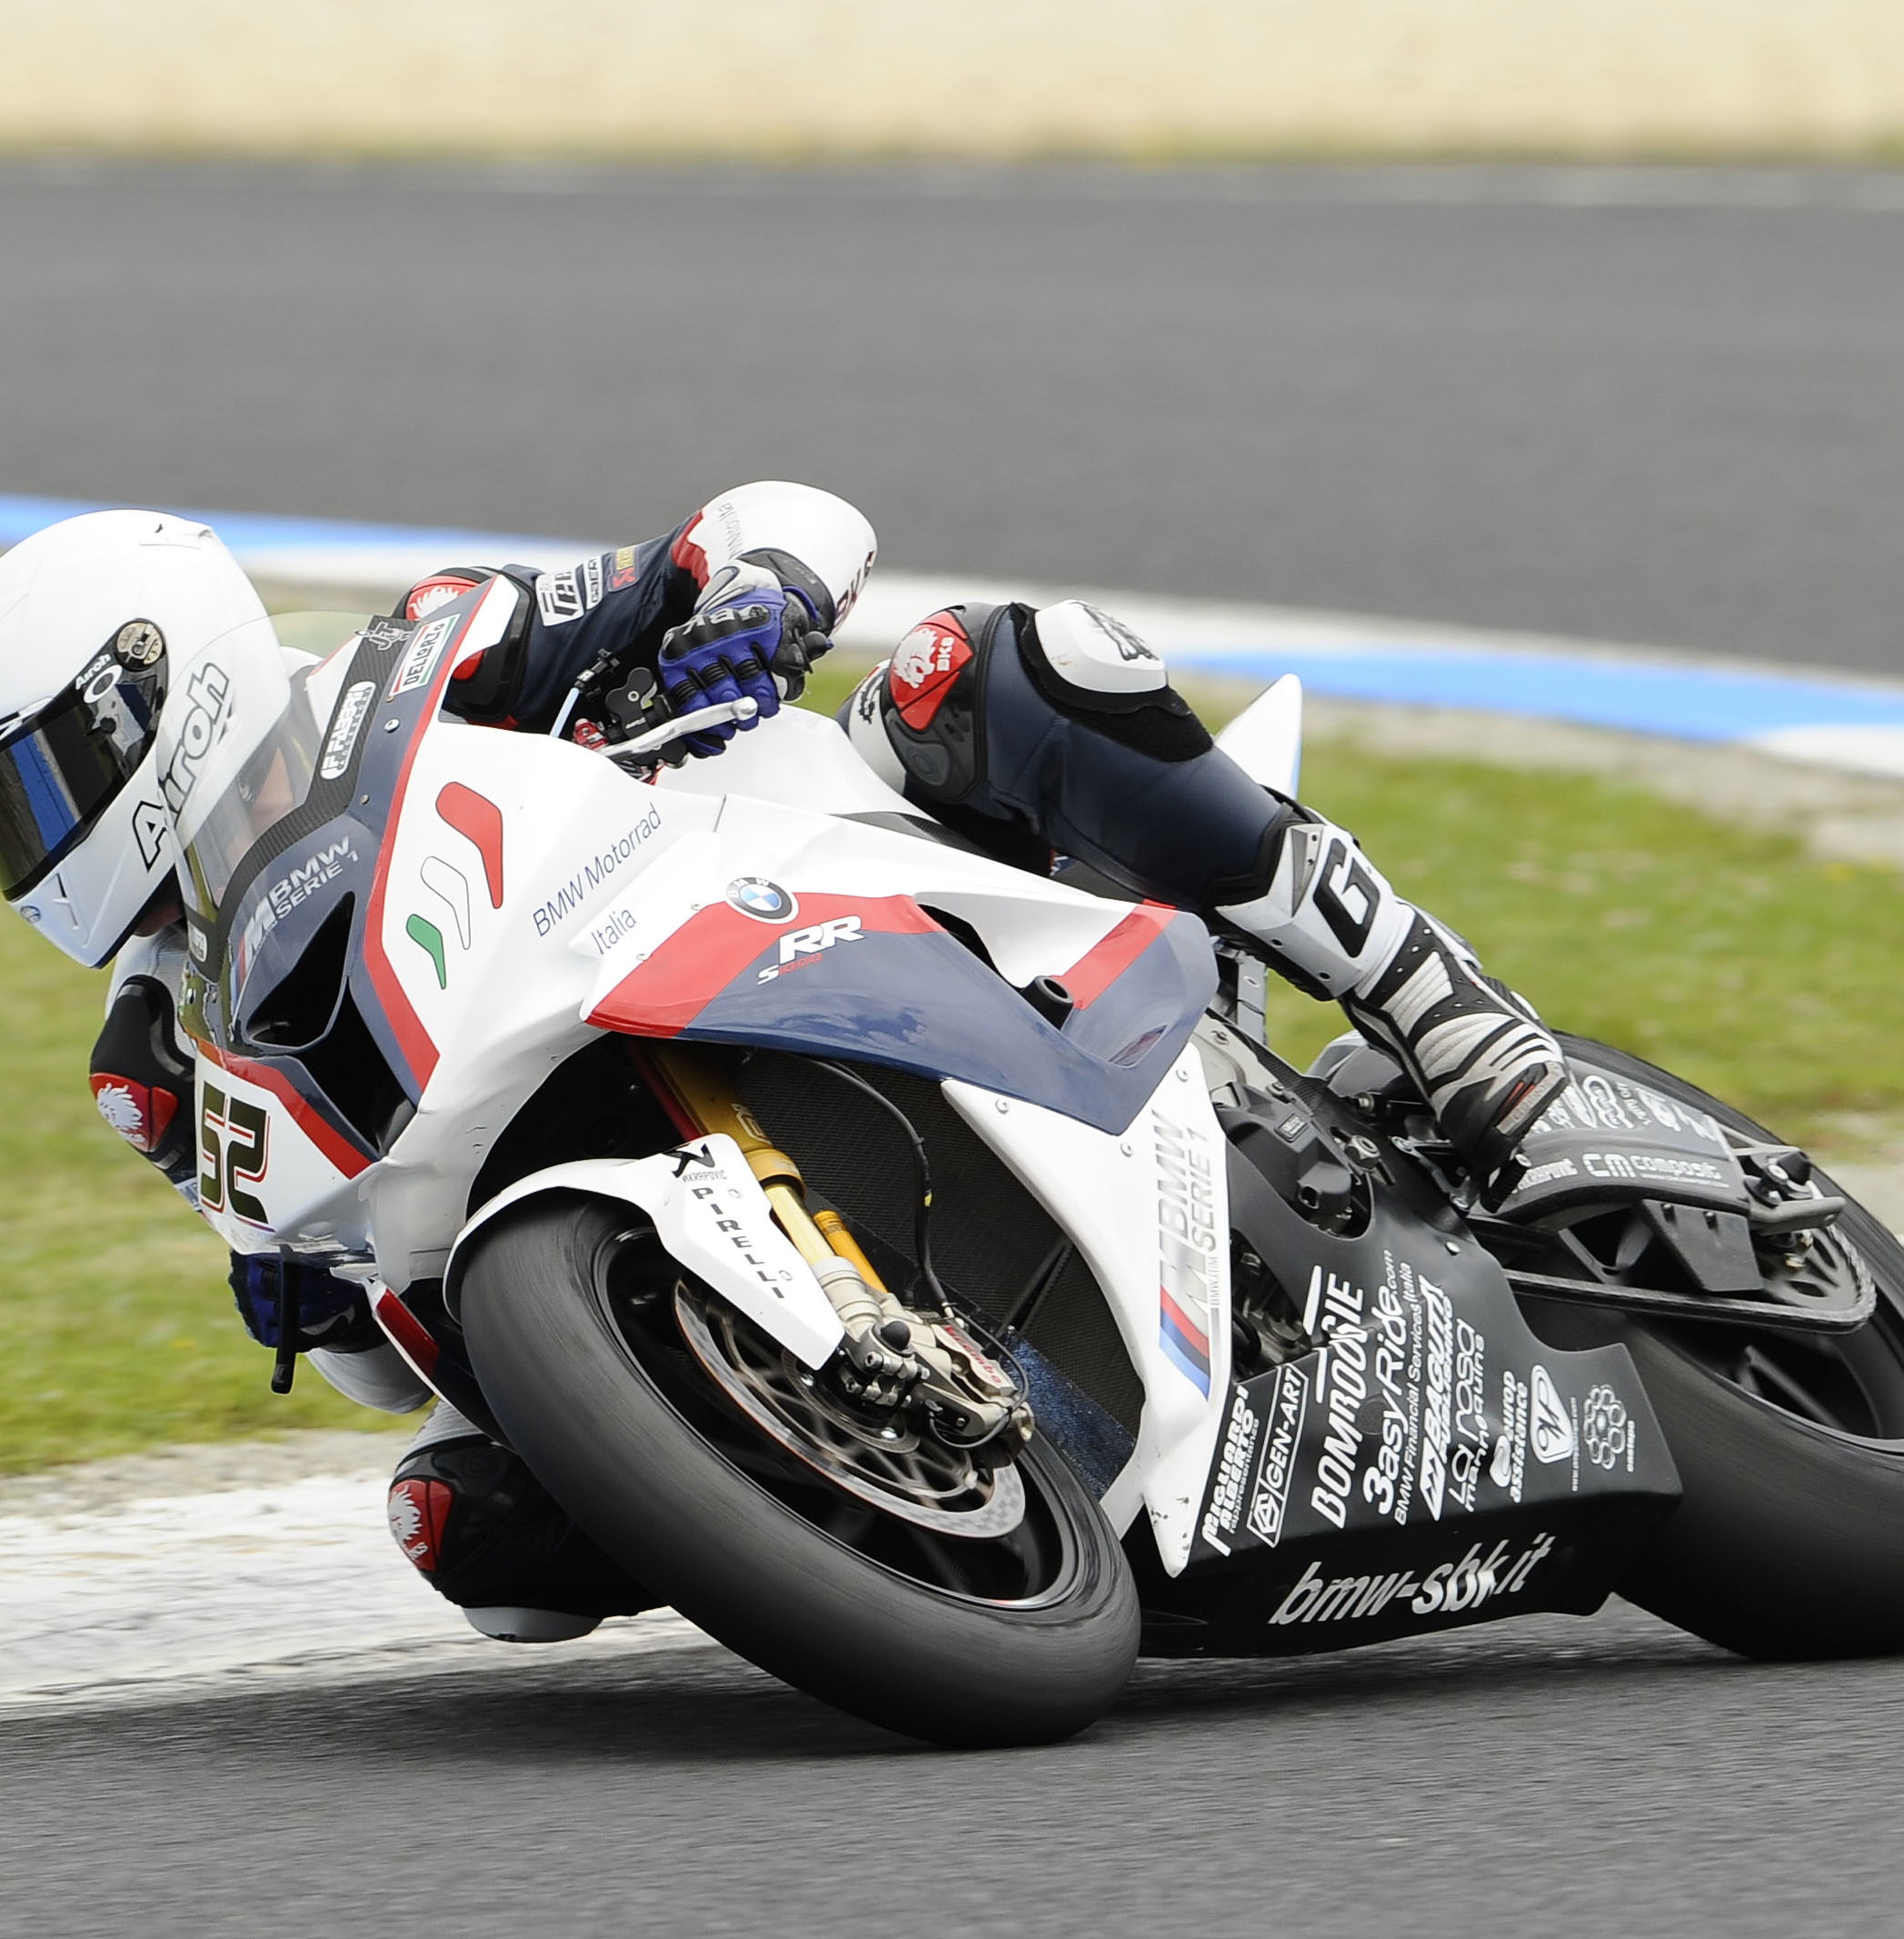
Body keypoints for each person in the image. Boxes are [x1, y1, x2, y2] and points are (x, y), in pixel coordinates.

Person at [0, 486, 1568, 1640]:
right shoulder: (161, 1052)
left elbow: (785, 516)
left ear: (154, 685)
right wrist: (308, 1293)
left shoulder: (423, 653)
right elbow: (371, 1368)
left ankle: (1435, 1000)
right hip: (538, 1164)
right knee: (474, 1545)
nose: (29, 849)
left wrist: (754, 596)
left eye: (33, 789)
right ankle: (874, 1516)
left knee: (1000, 665)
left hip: (783, 892)